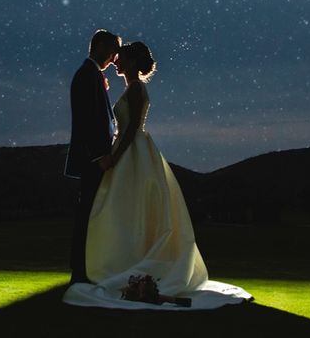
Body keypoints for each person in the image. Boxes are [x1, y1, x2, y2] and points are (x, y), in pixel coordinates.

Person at [63, 41, 252, 310]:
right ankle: (117, 261)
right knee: (119, 210)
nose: (116, 60)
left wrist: (115, 157)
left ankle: (127, 264)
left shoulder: (137, 89)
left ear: (129, 62)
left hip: (132, 153)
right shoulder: (129, 87)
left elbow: (131, 130)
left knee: (132, 207)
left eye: (120, 57)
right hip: (127, 152)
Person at [65, 29, 122, 284]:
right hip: (94, 159)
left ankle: (87, 269)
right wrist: (98, 156)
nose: (113, 57)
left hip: (97, 158)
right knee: (88, 214)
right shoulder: (87, 75)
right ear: (98, 46)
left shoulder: (92, 75)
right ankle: (80, 271)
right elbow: (87, 121)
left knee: (94, 214)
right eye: (111, 50)